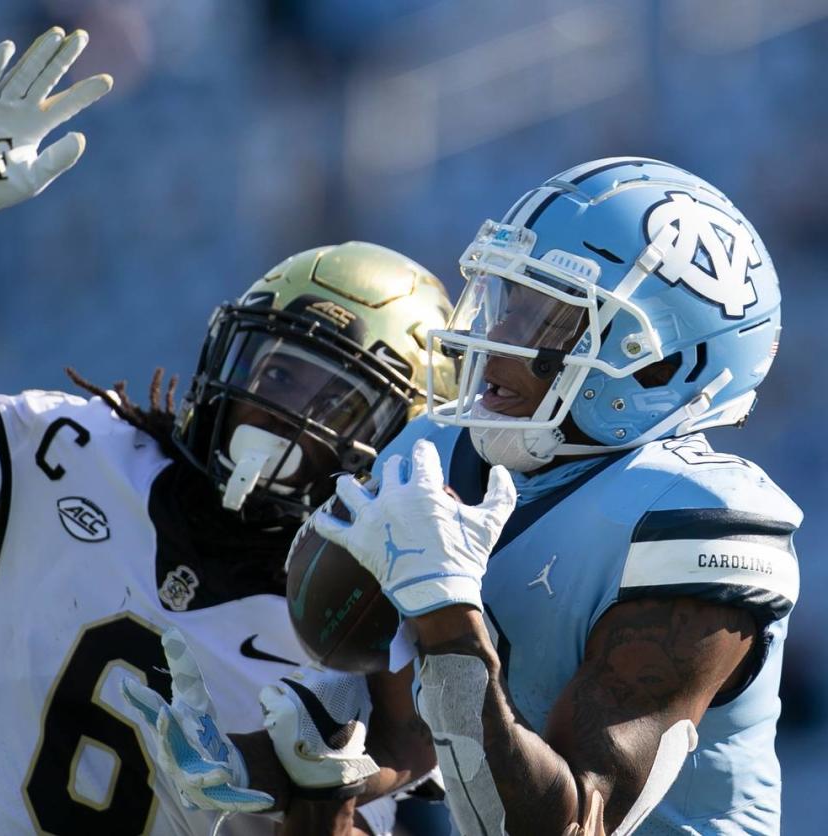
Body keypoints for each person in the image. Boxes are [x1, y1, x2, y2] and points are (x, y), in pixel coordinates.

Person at [0, 27, 455, 835]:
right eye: (275, 371)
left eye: (335, 405)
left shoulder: (372, 619)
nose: (279, 409)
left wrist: (326, 794)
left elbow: (405, 760)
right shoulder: (71, 455)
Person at [308, 158, 801, 835]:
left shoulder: (692, 521)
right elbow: (406, 746)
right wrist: (301, 770)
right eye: (508, 301)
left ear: (658, 364)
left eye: (546, 319)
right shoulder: (443, 453)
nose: (498, 339)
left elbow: (571, 826)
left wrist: (446, 617)